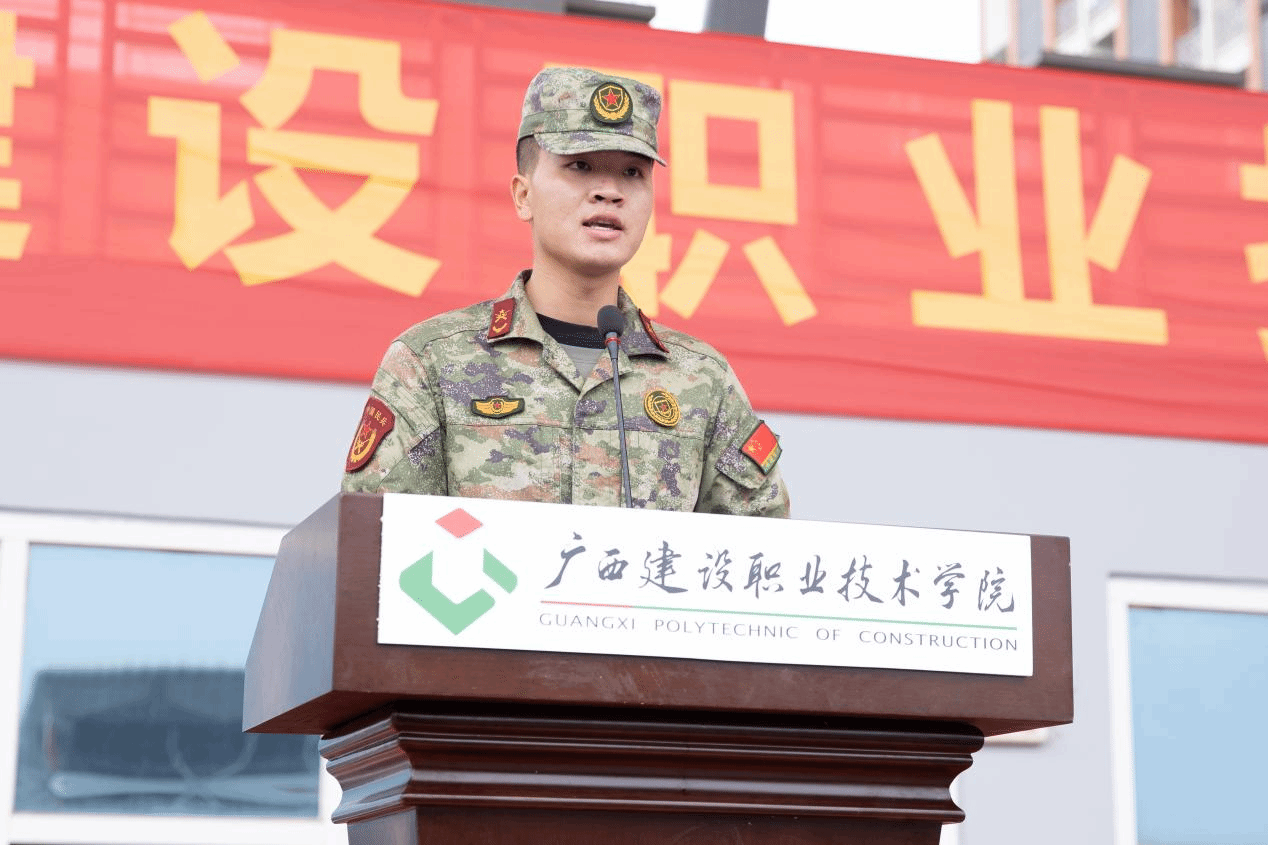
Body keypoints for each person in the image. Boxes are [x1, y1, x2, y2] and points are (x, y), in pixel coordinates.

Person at [341, 66, 789, 518]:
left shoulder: (702, 380)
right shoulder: (432, 362)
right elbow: (374, 536)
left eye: (632, 172)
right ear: (523, 196)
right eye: (580, 166)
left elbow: (766, 548)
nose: (609, 192)